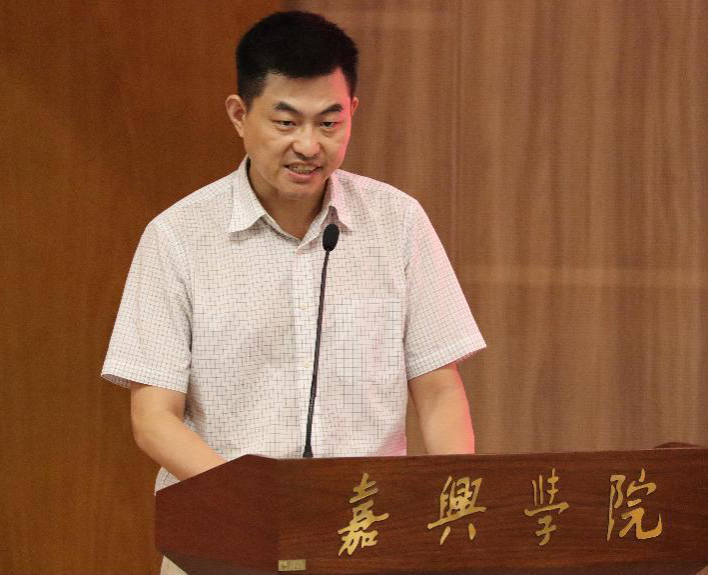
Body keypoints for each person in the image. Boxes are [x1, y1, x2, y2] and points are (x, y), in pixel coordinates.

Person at [102, 10, 485, 574]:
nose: (309, 145)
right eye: (286, 122)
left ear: (352, 113)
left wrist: (454, 513)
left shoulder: (397, 223)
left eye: (329, 123)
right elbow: (153, 417)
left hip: (368, 538)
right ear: (239, 115)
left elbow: (439, 393)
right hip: (225, 542)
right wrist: (256, 505)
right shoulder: (178, 237)